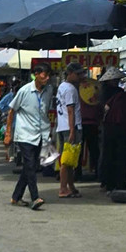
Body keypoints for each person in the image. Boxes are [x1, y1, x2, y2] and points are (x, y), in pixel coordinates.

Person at [5, 65, 53, 210]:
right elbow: (11, 111)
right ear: (36, 74)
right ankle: (35, 197)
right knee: (30, 165)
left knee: (30, 166)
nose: (47, 78)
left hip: (41, 134)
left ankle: (16, 196)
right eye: (44, 75)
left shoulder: (49, 90)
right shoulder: (24, 91)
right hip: (25, 134)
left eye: (48, 76)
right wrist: (8, 133)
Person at [55, 63, 85, 199]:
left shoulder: (62, 87)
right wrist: (73, 130)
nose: (81, 76)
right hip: (70, 127)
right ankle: (63, 188)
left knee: (70, 160)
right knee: (67, 161)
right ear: (71, 73)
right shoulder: (70, 90)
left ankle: (70, 187)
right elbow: (70, 110)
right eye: (78, 74)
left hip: (62, 126)